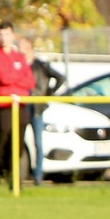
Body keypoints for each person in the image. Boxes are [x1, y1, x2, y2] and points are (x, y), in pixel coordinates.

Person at [0, 20, 35, 190]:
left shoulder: (18, 56)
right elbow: (3, 78)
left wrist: (14, 78)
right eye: (0, 34)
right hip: (3, 105)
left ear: (12, 35)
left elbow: (30, 81)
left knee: (18, 144)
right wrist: (17, 77)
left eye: (6, 34)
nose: (3, 38)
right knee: (0, 142)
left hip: (19, 104)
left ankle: (14, 179)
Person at [18, 36, 65, 185]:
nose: (18, 48)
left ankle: (38, 176)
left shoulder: (40, 65)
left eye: (21, 46)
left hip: (36, 106)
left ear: (29, 48)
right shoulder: (18, 65)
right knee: (19, 140)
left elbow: (60, 78)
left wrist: (47, 94)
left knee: (38, 142)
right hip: (23, 105)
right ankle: (17, 175)